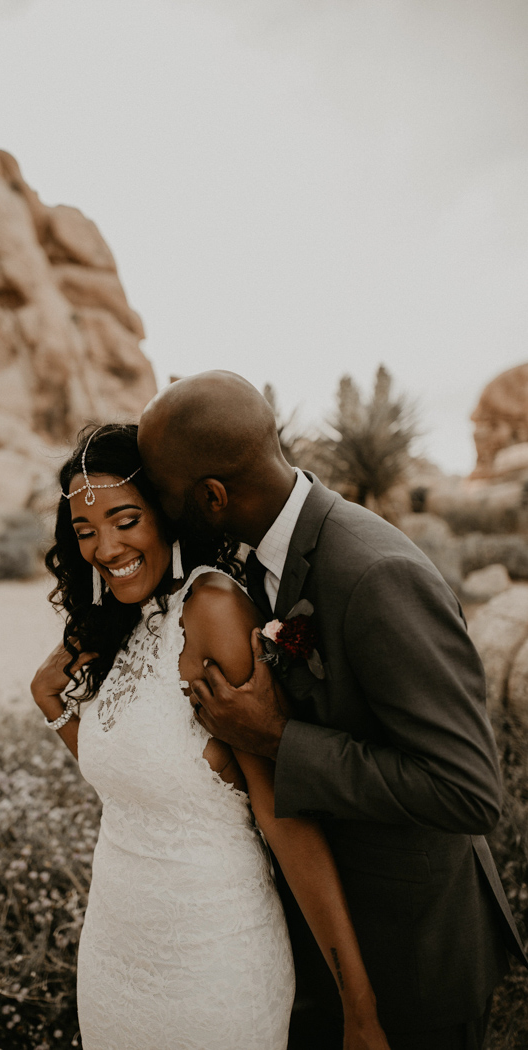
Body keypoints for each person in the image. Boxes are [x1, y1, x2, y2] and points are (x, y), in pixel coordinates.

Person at [136, 370, 528, 1050]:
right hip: (329, 940)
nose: (164, 517)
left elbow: (467, 793)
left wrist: (280, 738)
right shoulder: (259, 551)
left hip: (414, 955)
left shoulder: (376, 573)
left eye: (167, 501)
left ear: (213, 496)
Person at [31, 422, 391, 1050]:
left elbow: (286, 818)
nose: (105, 548)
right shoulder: (126, 621)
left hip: (213, 964)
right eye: (85, 532)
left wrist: (357, 1005)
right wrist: (50, 703)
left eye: (125, 520)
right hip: (114, 955)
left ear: (166, 515)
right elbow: (129, 785)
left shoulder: (213, 610)